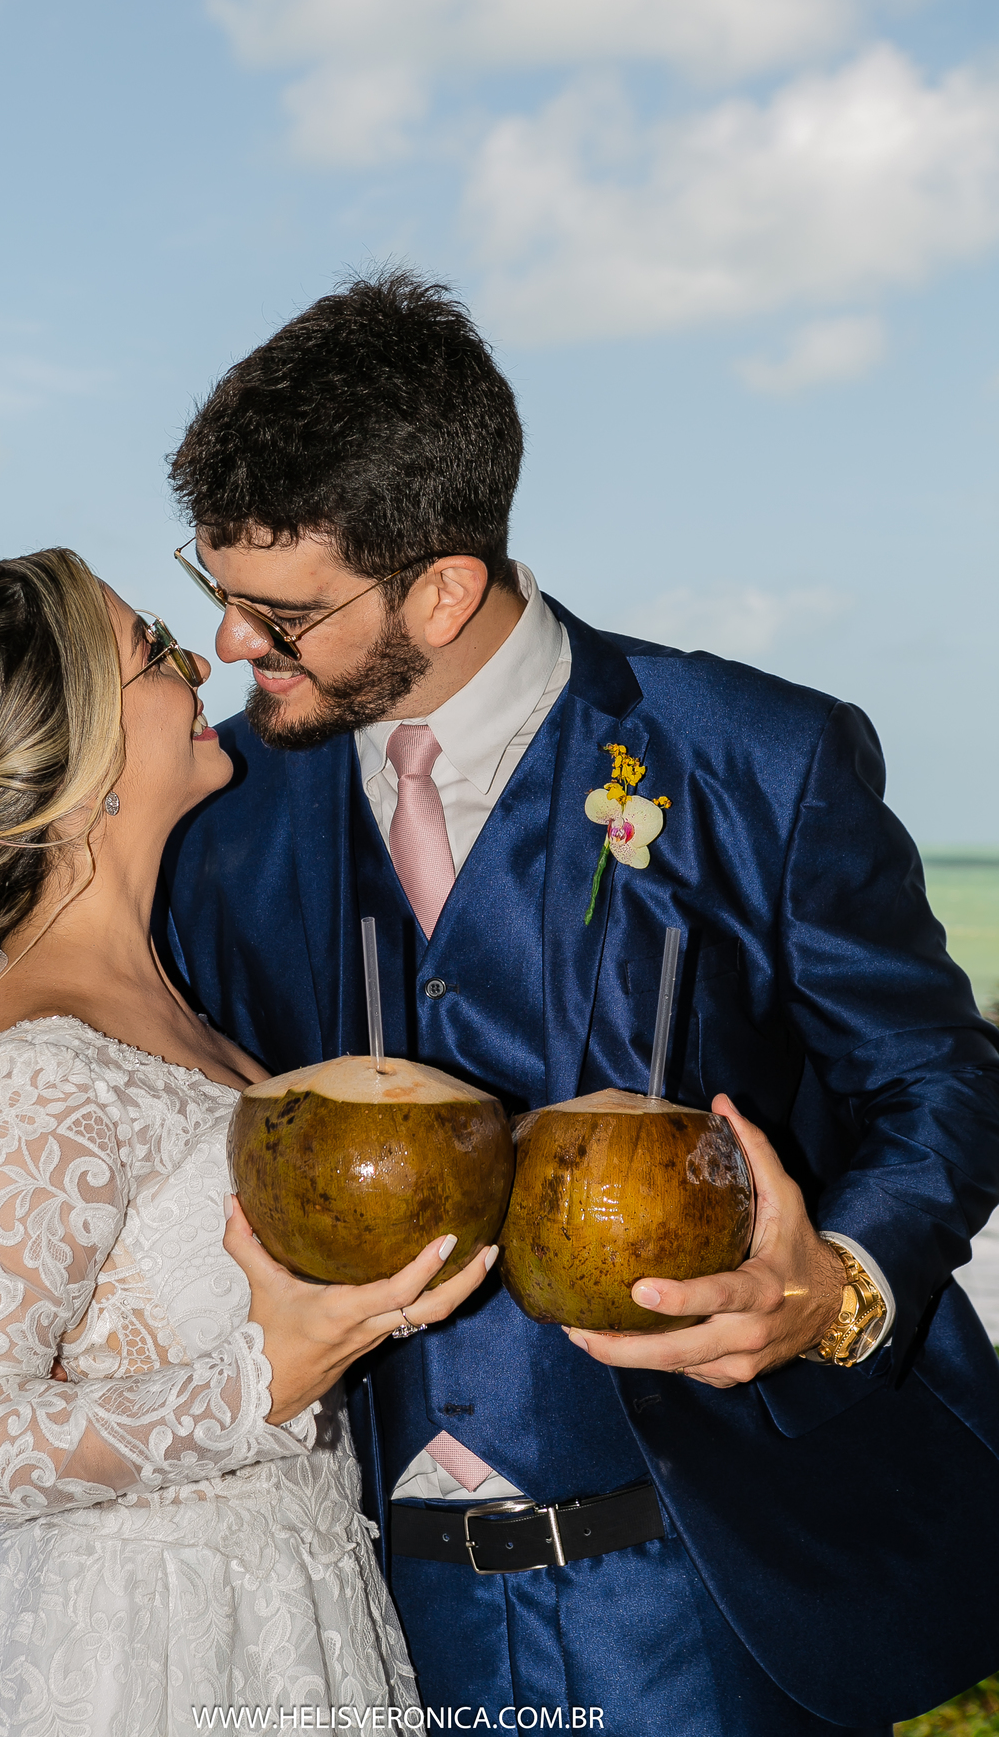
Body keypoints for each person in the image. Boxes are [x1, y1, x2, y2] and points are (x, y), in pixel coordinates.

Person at [158, 270, 999, 1735]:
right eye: (215, 591)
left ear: (444, 584)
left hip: (706, 1613)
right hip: (352, 1625)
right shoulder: (219, 827)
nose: (234, 646)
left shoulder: (760, 756)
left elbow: (939, 1080)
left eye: (280, 612)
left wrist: (836, 1289)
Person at [0, 547, 495, 1735]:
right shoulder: (36, 1061)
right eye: (153, 651)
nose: (200, 665)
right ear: (84, 770)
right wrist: (259, 1380)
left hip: (296, 1618)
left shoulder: (181, 1011)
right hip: (137, 1651)